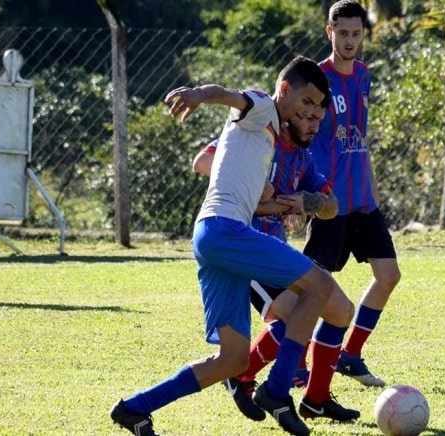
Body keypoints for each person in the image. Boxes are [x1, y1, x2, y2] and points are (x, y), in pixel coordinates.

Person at [110, 55, 337, 436]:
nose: (310, 111)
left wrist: (284, 203)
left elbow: (254, 201)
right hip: (226, 231)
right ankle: (278, 391)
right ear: (285, 91)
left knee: (232, 359)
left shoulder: (262, 139)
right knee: (321, 286)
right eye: (306, 102)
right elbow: (230, 96)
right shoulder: (264, 107)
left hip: (213, 237)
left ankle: (134, 408)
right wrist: (199, 94)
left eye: (317, 107)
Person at [195, 129, 362, 422]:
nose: (311, 123)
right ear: (287, 101)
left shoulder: (303, 156)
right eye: (306, 111)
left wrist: (306, 203)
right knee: (297, 313)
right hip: (245, 248)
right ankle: (242, 374)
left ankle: (316, 399)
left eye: (317, 117)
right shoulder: (256, 135)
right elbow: (202, 162)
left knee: (341, 311)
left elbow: (331, 206)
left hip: (279, 253)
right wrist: (257, 182)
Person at [303, 0, 400, 387]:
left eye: (356, 34)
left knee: (389, 275)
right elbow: (304, 137)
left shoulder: (363, 75)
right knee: (313, 289)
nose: (349, 40)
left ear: (363, 35)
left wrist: (372, 188)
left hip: (362, 200)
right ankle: (298, 362)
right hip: (329, 202)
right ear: (330, 32)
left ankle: (351, 354)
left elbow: (360, 138)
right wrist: (307, 190)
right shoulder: (315, 79)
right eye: (342, 33)